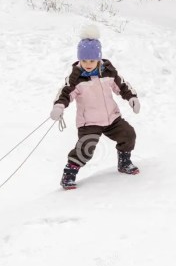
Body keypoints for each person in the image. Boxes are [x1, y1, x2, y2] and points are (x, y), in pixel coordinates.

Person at [50, 25, 140, 190]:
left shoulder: (108, 72)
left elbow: (122, 86)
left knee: (128, 134)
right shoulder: (76, 78)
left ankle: (124, 162)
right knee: (86, 147)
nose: (88, 64)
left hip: (111, 118)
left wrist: (132, 98)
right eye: (84, 60)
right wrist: (59, 106)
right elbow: (65, 93)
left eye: (91, 60)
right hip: (89, 122)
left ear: (98, 58)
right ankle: (69, 175)